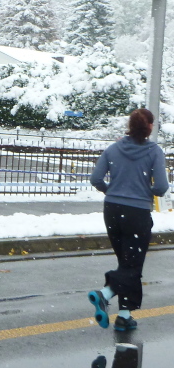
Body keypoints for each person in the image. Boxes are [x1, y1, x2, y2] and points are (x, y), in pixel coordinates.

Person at [88, 108, 168, 332]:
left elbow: (95, 178)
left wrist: (111, 191)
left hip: (112, 210)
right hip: (137, 212)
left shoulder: (113, 149)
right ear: (149, 127)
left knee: (126, 263)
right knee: (132, 264)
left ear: (130, 126)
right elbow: (161, 187)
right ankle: (104, 294)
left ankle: (124, 316)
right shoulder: (154, 152)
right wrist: (146, 192)